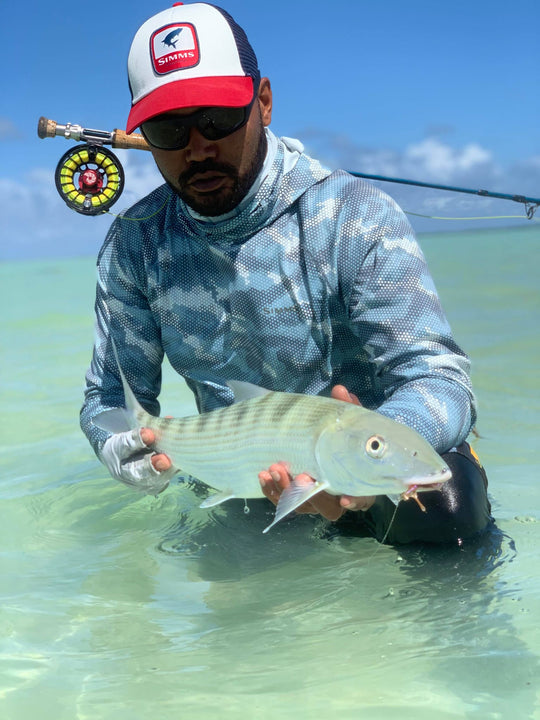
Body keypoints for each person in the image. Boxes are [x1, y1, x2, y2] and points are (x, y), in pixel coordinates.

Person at [80, 2, 492, 545]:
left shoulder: (354, 213)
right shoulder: (135, 244)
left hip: (369, 475)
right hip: (247, 480)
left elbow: (440, 379)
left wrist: (363, 460)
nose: (198, 147)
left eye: (218, 117)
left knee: (451, 509)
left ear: (264, 103)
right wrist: (122, 451)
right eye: (167, 127)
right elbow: (108, 399)